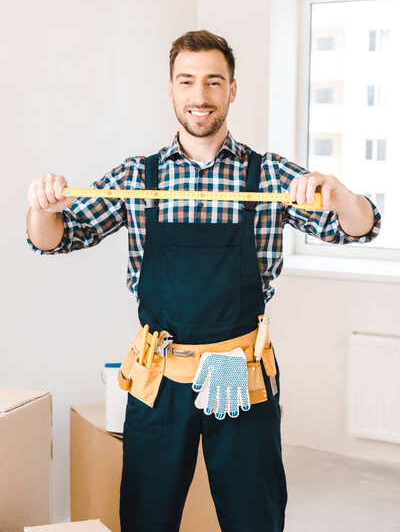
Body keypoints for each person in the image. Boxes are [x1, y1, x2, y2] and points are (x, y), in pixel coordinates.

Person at [26, 30, 381, 532]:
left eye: (214, 81)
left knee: (254, 518)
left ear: (232, 90)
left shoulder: (271, 176)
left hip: (242, 374)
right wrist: (42, 208)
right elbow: (56, 237)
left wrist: (341, 194)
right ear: (170, 89)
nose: (200, 95)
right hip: (158, 378)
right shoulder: (138, 175)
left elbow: (358, 227)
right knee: (147, 517)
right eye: (187, 81)